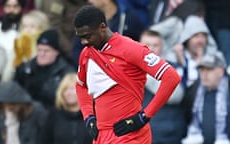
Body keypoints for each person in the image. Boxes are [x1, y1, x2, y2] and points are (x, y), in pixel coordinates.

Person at [73, 5, 181, 143]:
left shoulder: (131, 49)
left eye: (87, 36)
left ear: (102, 27)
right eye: (80, 37)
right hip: (101, 136)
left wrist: (144, 116)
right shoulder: (87, 54)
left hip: (129, 134)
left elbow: (171, 77)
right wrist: (88, 117)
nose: (84, 42)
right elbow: (81, 86)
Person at [140, 30, 187, 144]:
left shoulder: (174, 68)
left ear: (162, 47)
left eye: (155, 45)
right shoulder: (129, 70)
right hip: (144, 132)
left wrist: (145, 71)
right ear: (139, 45)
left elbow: (176, 96)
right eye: (147, 45)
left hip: (171, 132)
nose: (151, 49)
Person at [181, 51, 230, 144]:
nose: (204, 74)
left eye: (209, 69)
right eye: (202, 70)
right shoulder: (193, 89)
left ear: (221, 71)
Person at [14, 29, 75, 109]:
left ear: (56, 52)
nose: (42, 54)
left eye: (46, 51)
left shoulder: (66, 72)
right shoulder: (25, 68)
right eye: (39, 50)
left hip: (53, 113)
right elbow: (14, 91)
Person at [39, 73, 92, 144]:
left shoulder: (92, 116)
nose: (68, 93)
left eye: (72, 89)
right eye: (65, 89)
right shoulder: (54, 116)